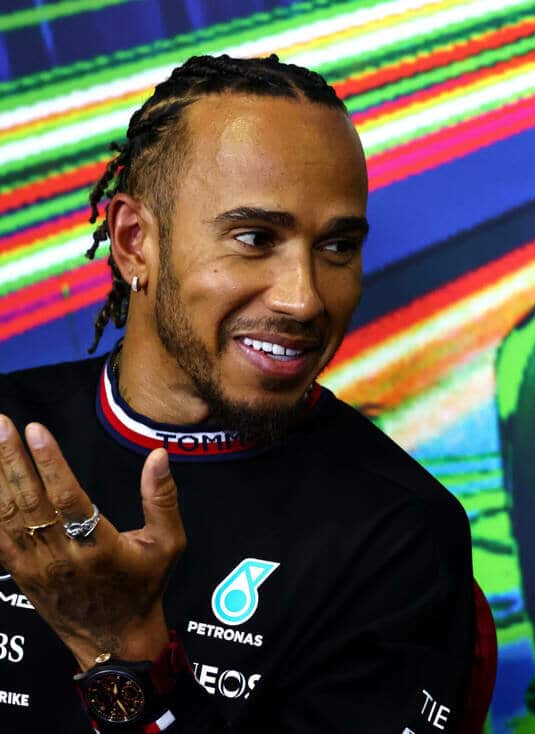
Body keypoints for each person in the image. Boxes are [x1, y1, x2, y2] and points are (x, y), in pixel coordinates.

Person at [0, 54, 489, 733]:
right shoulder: (9, 435)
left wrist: (123, 651)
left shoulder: (399, 533)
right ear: (134, 242)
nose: (304, 298)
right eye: (255, 238)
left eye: (337, 247)